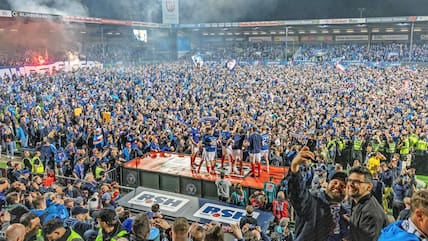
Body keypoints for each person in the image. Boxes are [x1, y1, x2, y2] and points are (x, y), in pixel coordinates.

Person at [288, 146, 350, 241]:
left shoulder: (346, 214)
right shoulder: (312, 202)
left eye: (342, 186)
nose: (337, 186)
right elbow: (298, 194)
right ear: (327, 184)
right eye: (335, 182)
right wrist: (294, 167)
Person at [347, 166, 388, 241]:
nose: (351, 184)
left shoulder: (370, 213)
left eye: (357, 182)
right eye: (349, 180)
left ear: (369, 187)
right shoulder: (358, 202)